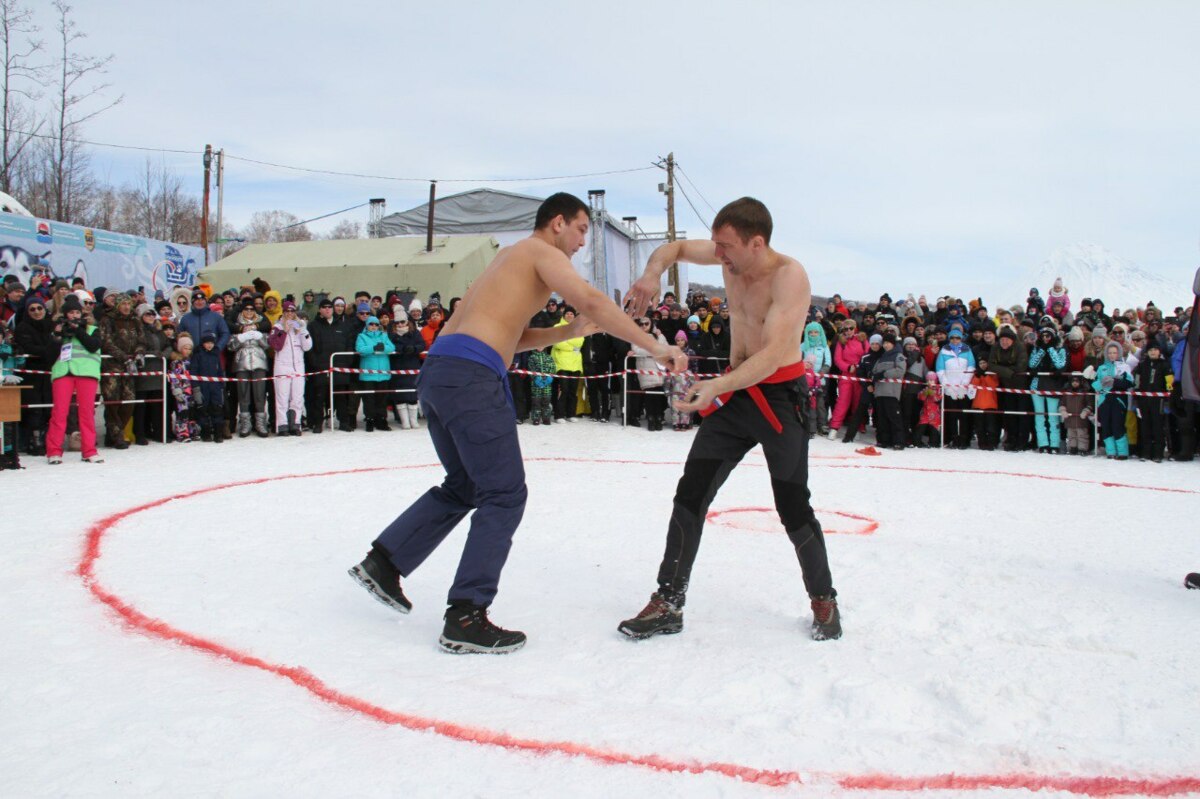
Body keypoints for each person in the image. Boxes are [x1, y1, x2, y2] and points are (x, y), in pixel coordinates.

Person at [347, 192, 686, 655]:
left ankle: (385, 561)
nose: (584, 242)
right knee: (505, 494)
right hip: (470, 377)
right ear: (558, 223)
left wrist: (568, 332)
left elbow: (508, 333)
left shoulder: (510, 259)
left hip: (443, 371)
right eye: (583, 229)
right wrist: (655, 345)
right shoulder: (542, 252)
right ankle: (465, 614)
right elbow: (590, 298)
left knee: (465, 484)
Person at [617, 196, 841, 642]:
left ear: (756, 243)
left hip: (779, 400)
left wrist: (716, 387)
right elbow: (675, 249)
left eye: (725, 247)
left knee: (793, 505)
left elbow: (776, 353)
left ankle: (824, 600)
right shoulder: (731, 261)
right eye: (715, 245)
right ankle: (668, 601)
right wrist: (650, 274)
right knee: (692, 492)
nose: (716, 256)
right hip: (736, 392)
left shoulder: (788, 277)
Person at [44, 294, 103, 464]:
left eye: (77, 312)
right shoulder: (58, 330)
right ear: (65, 314)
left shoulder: (92, 328)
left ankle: (89, 450)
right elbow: (49, 356)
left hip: (86, 373)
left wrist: (78, 330)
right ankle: (54, 451)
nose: (74, 315)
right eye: (70, 313)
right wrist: (57, 336)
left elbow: (93, 346)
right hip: (63, 372)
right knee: (59, 412)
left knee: (86, 413)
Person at [268, 299, 311, 436]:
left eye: (292, 311)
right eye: (287, 311)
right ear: (283, 312)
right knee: (282, 397)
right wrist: (284, 331)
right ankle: (282, 425)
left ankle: (295, 424)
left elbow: (308, 346)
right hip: (282, 366)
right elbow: (275, 345)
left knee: (297, 397)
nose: (290, 314)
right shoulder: (277, 327)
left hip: (298, 366)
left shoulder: (299, 326)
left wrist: (302, 330)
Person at [355, 315, 395, 431]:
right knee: (369, 399)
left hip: (383, 372)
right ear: (367, 325)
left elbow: (391, 347)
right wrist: (373, 348)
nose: (373, 326)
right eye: (371, 324)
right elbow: (360, 349)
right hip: (368, 374)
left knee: (382, 398)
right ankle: (370, 420)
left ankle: (381, 419)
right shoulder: (361, 336)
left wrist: (382, 348)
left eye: (376, 324)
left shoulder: (384, 335)